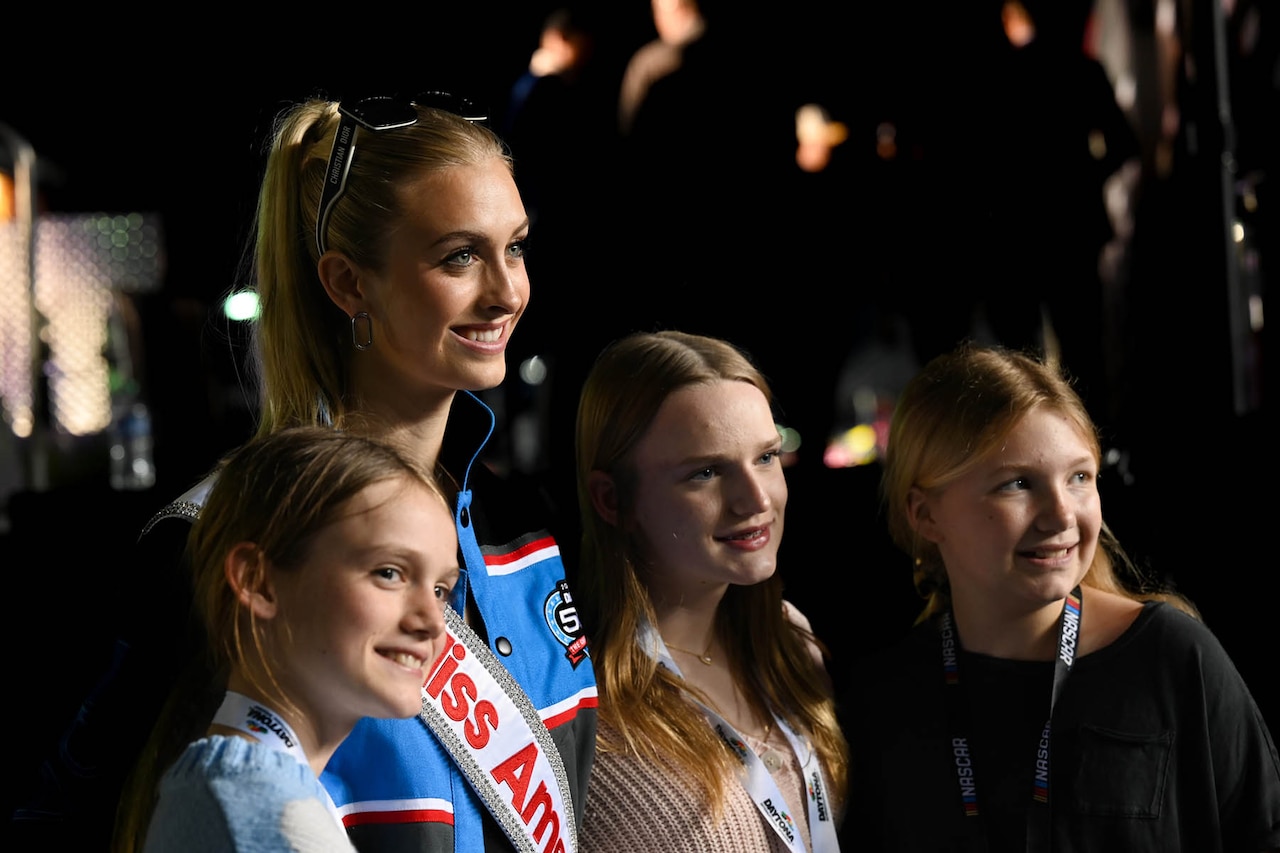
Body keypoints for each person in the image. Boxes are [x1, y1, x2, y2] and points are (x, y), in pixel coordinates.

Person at [11, 92, 598, 853]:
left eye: (515, 246)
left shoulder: (526, 524)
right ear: (350, 283)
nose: (507, 290)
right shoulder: (233, 533)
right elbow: (62, 822)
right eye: (459, 254)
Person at [839, 342, 1280, 851]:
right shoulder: (882, 698)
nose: (1062, 516)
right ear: (925, 515)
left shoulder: (1171, 658)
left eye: (1079, 478)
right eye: (1017, 483)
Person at [116, 426, 459, 852]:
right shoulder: (257, 811)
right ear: (258, 582)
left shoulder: (242, 791)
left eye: (441, 590)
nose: (432, 622)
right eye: (388, 572)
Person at [574, 330, 847, 852]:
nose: (754, 499)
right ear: (611, 500)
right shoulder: (577, 698)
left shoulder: (790, 641)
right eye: (705, 472)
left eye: (766, 458)